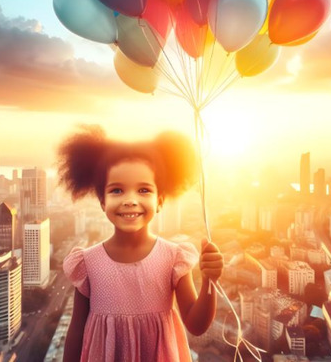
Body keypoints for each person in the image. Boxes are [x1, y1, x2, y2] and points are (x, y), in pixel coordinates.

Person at [57, 125, 224, 362]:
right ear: (102, 201)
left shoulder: (173, 258)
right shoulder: (87, 263)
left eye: (144, 190)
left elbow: (196, 324)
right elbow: (76, 331)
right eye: (117, 190)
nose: (130, 201)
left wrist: (210, 281)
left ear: (160, 200)